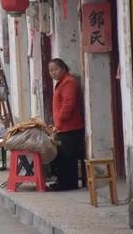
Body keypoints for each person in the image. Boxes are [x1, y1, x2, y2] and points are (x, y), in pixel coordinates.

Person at [48, 58, 85, 191]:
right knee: (64, 156)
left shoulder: (69, 82)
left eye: (55, 69)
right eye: (50, 71)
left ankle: (68, 184)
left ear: (63, 68)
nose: (53, 73)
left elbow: (68, 104)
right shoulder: (62, 82)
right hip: (63, 126)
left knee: (68, 157)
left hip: (70, 126)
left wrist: (61, 120)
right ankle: (63, 182)